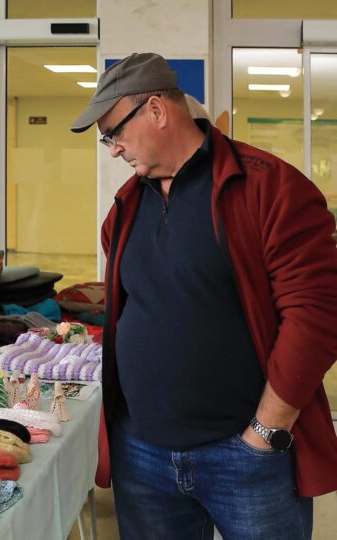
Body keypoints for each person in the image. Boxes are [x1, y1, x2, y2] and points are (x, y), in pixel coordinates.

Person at [70, 53, 337, 539]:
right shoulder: (126, 209)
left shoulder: (270, 189)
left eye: (114, 133)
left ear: (156, 110)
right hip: (142, 455)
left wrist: (266, 433)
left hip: (244, 457)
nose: (112, 150)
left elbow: (316, 316)